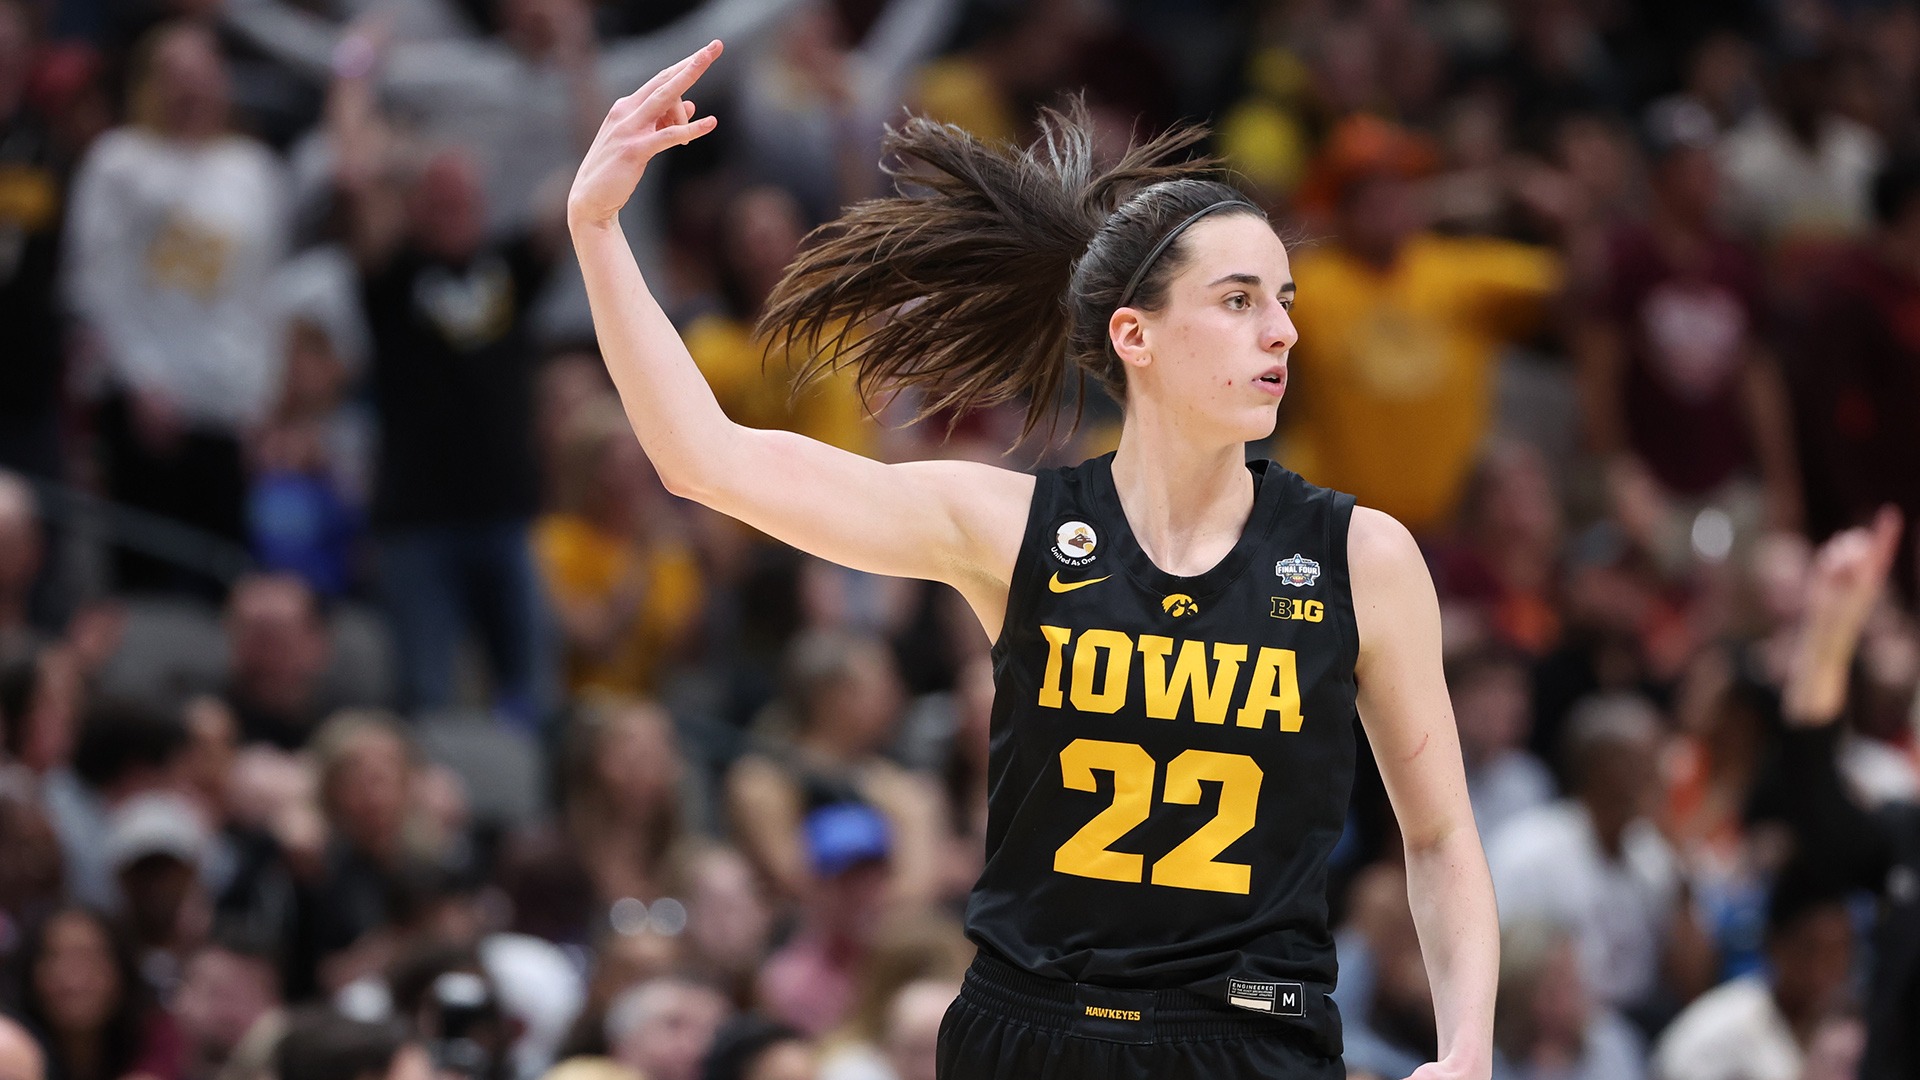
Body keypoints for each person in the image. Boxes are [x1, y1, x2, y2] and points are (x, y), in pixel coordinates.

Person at [568, 42, 1497, 1079]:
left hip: (1252, 1039)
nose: (1281, 329)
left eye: (1282, 298)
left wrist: (1466, 1047)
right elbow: (708, 463)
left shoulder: (1360, 555)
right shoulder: (1010, 528)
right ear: (1135, 336)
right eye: (1239, 301)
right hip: (1035, 1035)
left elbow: (1441, 838)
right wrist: (599, 230)